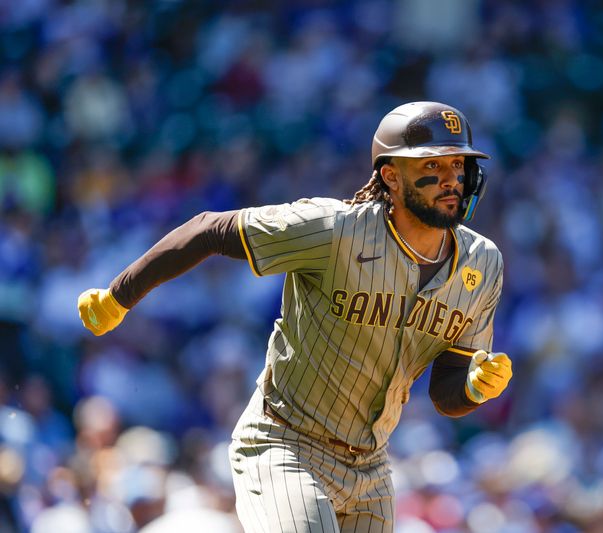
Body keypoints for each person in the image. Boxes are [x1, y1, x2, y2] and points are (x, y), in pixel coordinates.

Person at [77, 101, 512, 533]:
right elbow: (210, 229)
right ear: (391, 177)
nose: (452, 179)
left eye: (459, 164)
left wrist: (473, 387)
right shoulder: (335, 229)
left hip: (371, 469)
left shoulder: (482, 262)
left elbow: (446, 390)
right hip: (286, 444)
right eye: (432, 166)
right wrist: (120, 295)